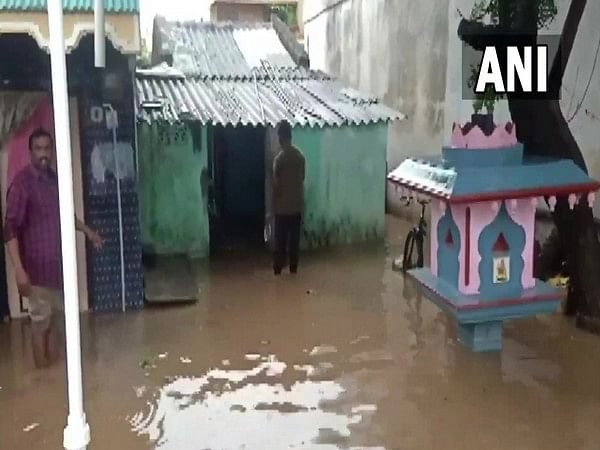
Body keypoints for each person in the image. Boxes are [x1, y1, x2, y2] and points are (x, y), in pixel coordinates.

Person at [4, 128, 104, 368]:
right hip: (36, 272)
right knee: (40, 325)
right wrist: (18, 270)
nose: (43, 154)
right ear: (30, 152)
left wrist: (88, 231)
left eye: (47, 148)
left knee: (56, 326)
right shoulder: (21, 184)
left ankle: (52, 382)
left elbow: (65, 216)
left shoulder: (54, 181)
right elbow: (9, 228)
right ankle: (41, 378)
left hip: (59, 272)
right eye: (38, 149)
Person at [272, 121, 305, 275]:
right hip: (297, 207)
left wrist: (273, 206)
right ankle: (293, 269)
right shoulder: (300, 157)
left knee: (280, 242)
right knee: (294, 242)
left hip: (282, 209)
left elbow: (276, 185)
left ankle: (278, 271)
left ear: (281, 137)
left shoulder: (279, 160)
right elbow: (302, 178)